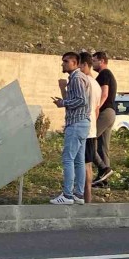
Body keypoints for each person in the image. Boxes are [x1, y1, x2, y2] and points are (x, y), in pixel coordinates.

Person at [51, 52, 90, 205]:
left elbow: (81, 100)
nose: (63, 64)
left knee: (68, 159)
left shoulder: (76, 78)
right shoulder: (79, 78)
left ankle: (67, 195)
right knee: (79, 160)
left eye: (66, 61)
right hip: (82, 123)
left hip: (76, 123)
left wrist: (63, 103)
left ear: (75, 63)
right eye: (63, 61)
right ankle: (78, 195)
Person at [77, 52, 102, 203]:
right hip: (91, 128)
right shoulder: (96, 84)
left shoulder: (84, 82)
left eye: (78, 64)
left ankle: (84, 197)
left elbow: (76, 104)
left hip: (83, 128)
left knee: (82, 164)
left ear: (84, 65)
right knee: (88, 165)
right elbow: (97, 109)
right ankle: (87, 198)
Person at [93, 51, 117, 186]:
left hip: (105, 112)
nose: (93, 63)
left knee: (88, 140)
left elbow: (104, 93)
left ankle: (104, 168)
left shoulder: (104, 74)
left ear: (102, 61)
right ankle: (103, 180)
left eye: (94, 60)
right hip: (111, 113)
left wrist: (96, 108)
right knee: (103, 148)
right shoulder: (107, 74)